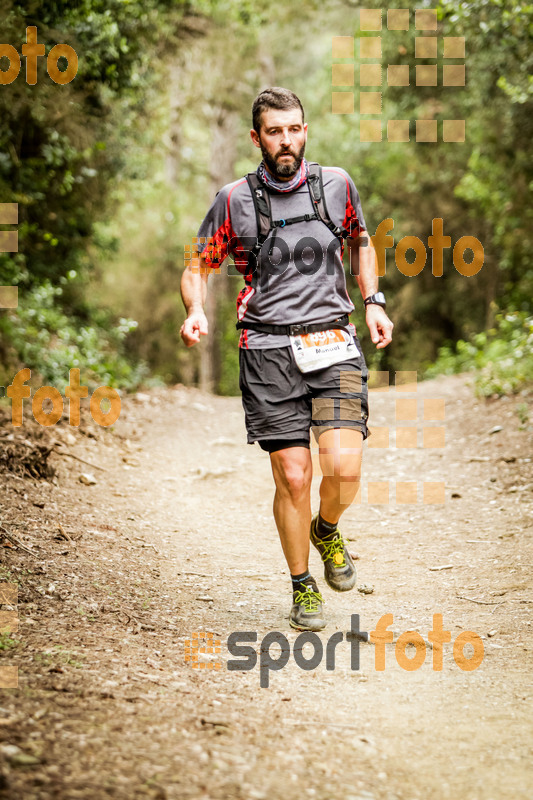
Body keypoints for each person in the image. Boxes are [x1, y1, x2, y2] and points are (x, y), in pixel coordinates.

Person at [180, 87, 393, 631]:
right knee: (294, 476)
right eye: (275, 131)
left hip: (333, 342)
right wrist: (195, 310)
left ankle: (326, 528)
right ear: (257, 138)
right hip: (267, 350)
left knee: (344, 470)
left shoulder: (337, 185)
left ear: (305, 131)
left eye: (294, 129)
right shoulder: (234, 199)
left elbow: (362, 243)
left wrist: (372, 301)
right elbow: (196, 265)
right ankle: (302, 586)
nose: (286, 140)